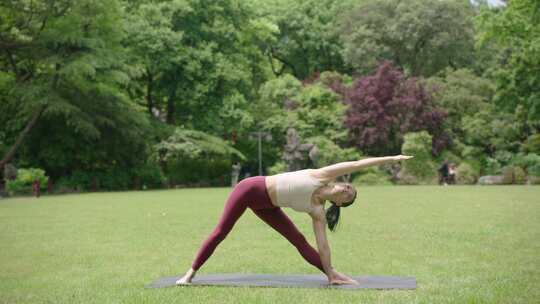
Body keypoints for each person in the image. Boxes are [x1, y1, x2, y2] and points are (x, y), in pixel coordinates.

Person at [176, 155, 414, 286]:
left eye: (347, 195)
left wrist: (329, 269)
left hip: (268, 206)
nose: (345, 189)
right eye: (348, 187)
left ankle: (332, 276)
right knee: (221, 231)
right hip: (249, 189)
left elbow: (322, 245)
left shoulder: (318, 211)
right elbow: (355, 164)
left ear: (340, 203)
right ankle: (190, 273)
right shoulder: (321, 176)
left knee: (299, 240)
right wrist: (392, 158)